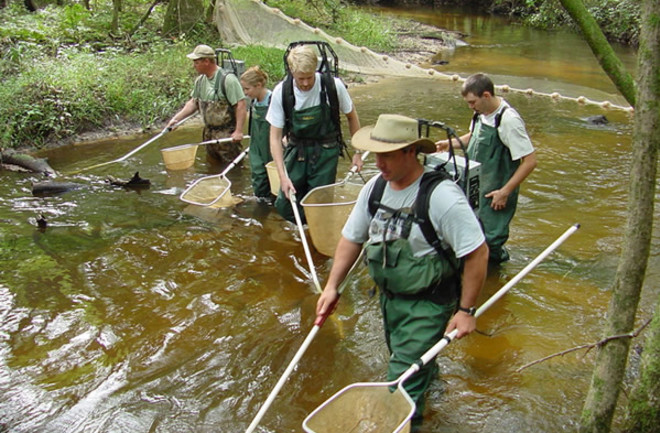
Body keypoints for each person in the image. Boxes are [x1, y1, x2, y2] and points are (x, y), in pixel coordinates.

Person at [316, 114, 489, 432]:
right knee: (413, 365)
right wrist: (332, 287)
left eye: (387, 155)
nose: (378, 162)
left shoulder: (442, 198)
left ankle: (410, 421)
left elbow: (477, 252)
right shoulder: (375, 188)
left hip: (428, 305)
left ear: (411, 152)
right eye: (376, 154)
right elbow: (352, 238)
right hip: (390, 300)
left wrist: (466, 311)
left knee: (398, 387)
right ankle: (430, 386)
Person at [436, 73, 537, 263]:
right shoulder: (480, 114)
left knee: (490, 242)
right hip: (475, 186)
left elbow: (530, 161)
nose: (470, 106)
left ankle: (496, 278)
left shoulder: (508, 121)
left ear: (487, 96)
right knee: (470, 236)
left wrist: (505, 192)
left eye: (473, 102)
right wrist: (450, 144)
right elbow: (473, 137)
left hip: (496, 193)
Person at [266, 44, 361, 223]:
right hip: (296, 151)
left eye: (309, 77)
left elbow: (351, 116)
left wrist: (357, 153)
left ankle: (316, 231)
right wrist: (282, 176)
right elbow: (275, 138)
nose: (306, 83)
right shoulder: (282, 91)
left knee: (319, 203)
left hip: (326, 151)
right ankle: (305, 227)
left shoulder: (333, 86)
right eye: (300, 78)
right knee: (285, 204)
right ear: (292, 72)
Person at [167, 44, 247, 164]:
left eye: (196, 62)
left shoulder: (228, 80)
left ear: (206, 61)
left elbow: (240, 105)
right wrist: (176, 120)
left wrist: (239, 131)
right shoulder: (200, 81)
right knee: (212, 165)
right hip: (208, 134)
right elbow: (193, 103)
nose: (194, 65)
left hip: (226, 134)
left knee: (232, 168)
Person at [240, 66, 274, 200]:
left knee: (273, 177)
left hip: (270, 146)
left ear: (259, 85)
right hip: (256, 146)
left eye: (247, 89)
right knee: (258, 176)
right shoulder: (254, 102)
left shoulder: (273, 99)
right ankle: (261, 203)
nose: (245, 93)